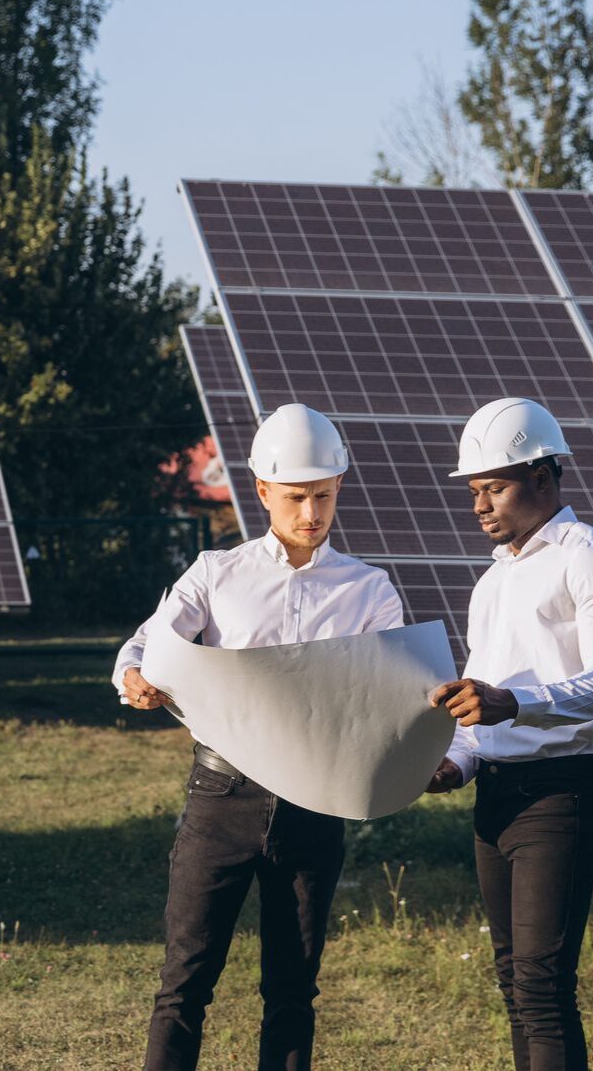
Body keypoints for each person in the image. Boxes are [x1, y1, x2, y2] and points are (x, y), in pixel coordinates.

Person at [118, 404, 404, 1071]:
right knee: (184, 983)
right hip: (219, 799)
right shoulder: (216, 574)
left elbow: (388, 694)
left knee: (292, 991)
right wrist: (133, 674)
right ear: (263, 492)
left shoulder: (369, 591)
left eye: (324, 496)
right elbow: (146, 642)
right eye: (297, 497)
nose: (311, 512)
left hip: (313, 803)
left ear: (339, 489)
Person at [424, 397, 593, 1071]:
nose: (479, 505)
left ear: (543, 476)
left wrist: (514, 703)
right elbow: (476, 703)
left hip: (565, 791)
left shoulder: (592, 558)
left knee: (542, 985)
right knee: (515, 982)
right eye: (473, 490)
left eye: (493, 487)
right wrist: (453, 765)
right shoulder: (494, 579)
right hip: (497, 794)